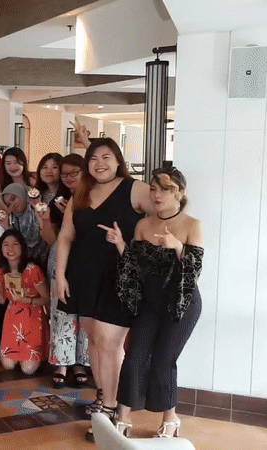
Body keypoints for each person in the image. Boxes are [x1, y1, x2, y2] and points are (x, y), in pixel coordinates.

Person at [54, 138, 155, 441]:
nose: (99, 163)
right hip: (84, 277)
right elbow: (65, 237)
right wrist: (60, 276)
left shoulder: (135, 189)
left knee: (110, 344)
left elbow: (163, 214)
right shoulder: (81, 192)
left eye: (106, 157)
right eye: (94, 158)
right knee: (95, 343)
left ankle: (113, 409)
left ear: (118, 160)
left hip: (119, 280)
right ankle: (104, 397)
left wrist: (137, 248)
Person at [110, 167, 204, 438]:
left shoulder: (192, 225)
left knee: (164, 360)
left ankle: (171, 418)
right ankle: (123, 415)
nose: (157, 195)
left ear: (180, 193)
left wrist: (178, 247)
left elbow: (193, 272)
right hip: (150, 303)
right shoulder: (143, 225)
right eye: (153, 189)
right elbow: (134, 268)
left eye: (165, 189)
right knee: (135, 356)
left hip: (182, 304)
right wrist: (120, 245)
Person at [43, 153, 89, 388]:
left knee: (84, 314)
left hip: (86, 261)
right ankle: (62, 362)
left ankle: (80, 362)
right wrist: (45, 219)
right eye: (65, 174)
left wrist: (73, 217)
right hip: (60, 261)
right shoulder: (57, 201)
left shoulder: (94, 199)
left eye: (74, 173)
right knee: (61, 311)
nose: (69, 178)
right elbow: (52, 239)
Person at [0, 229, 49, 374]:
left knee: (28, 369)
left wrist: (25, 299)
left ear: (22, 247)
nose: (10, 249)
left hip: (32, 318)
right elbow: (1, 299)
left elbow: (47, 298)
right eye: (6, 245)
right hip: (12, 319)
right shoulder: (0, 270)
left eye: (15, 244)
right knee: (8, 365)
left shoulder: (32, 270)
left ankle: (39, 352)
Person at [0, 183, 45, 264]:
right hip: (25, 261)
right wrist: (7, 228)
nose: (13, 204)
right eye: (9, 204)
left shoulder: (38, 209)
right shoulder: (14, 219)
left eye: (13, 198)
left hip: (45, 256)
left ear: (22, 194)